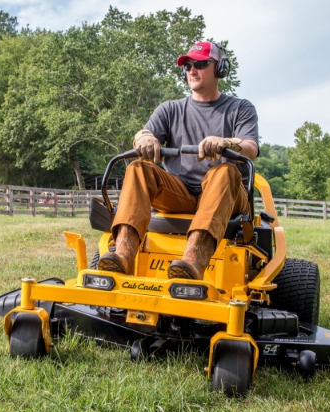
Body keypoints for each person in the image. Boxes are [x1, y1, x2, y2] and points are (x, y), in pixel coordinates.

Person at [97, 41, 259, 280]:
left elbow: (251, 148)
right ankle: (122, 255)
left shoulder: (240, 108)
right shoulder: (170, 109)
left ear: (220, 68)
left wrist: (226, 143)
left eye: (201, 64)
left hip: (226, 195)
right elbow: (143, 133)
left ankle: (192, 261)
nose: (192, 70)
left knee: (225, 171)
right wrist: (144, 138)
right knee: (138, 169)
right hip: (180, 193)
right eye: (187, 66)